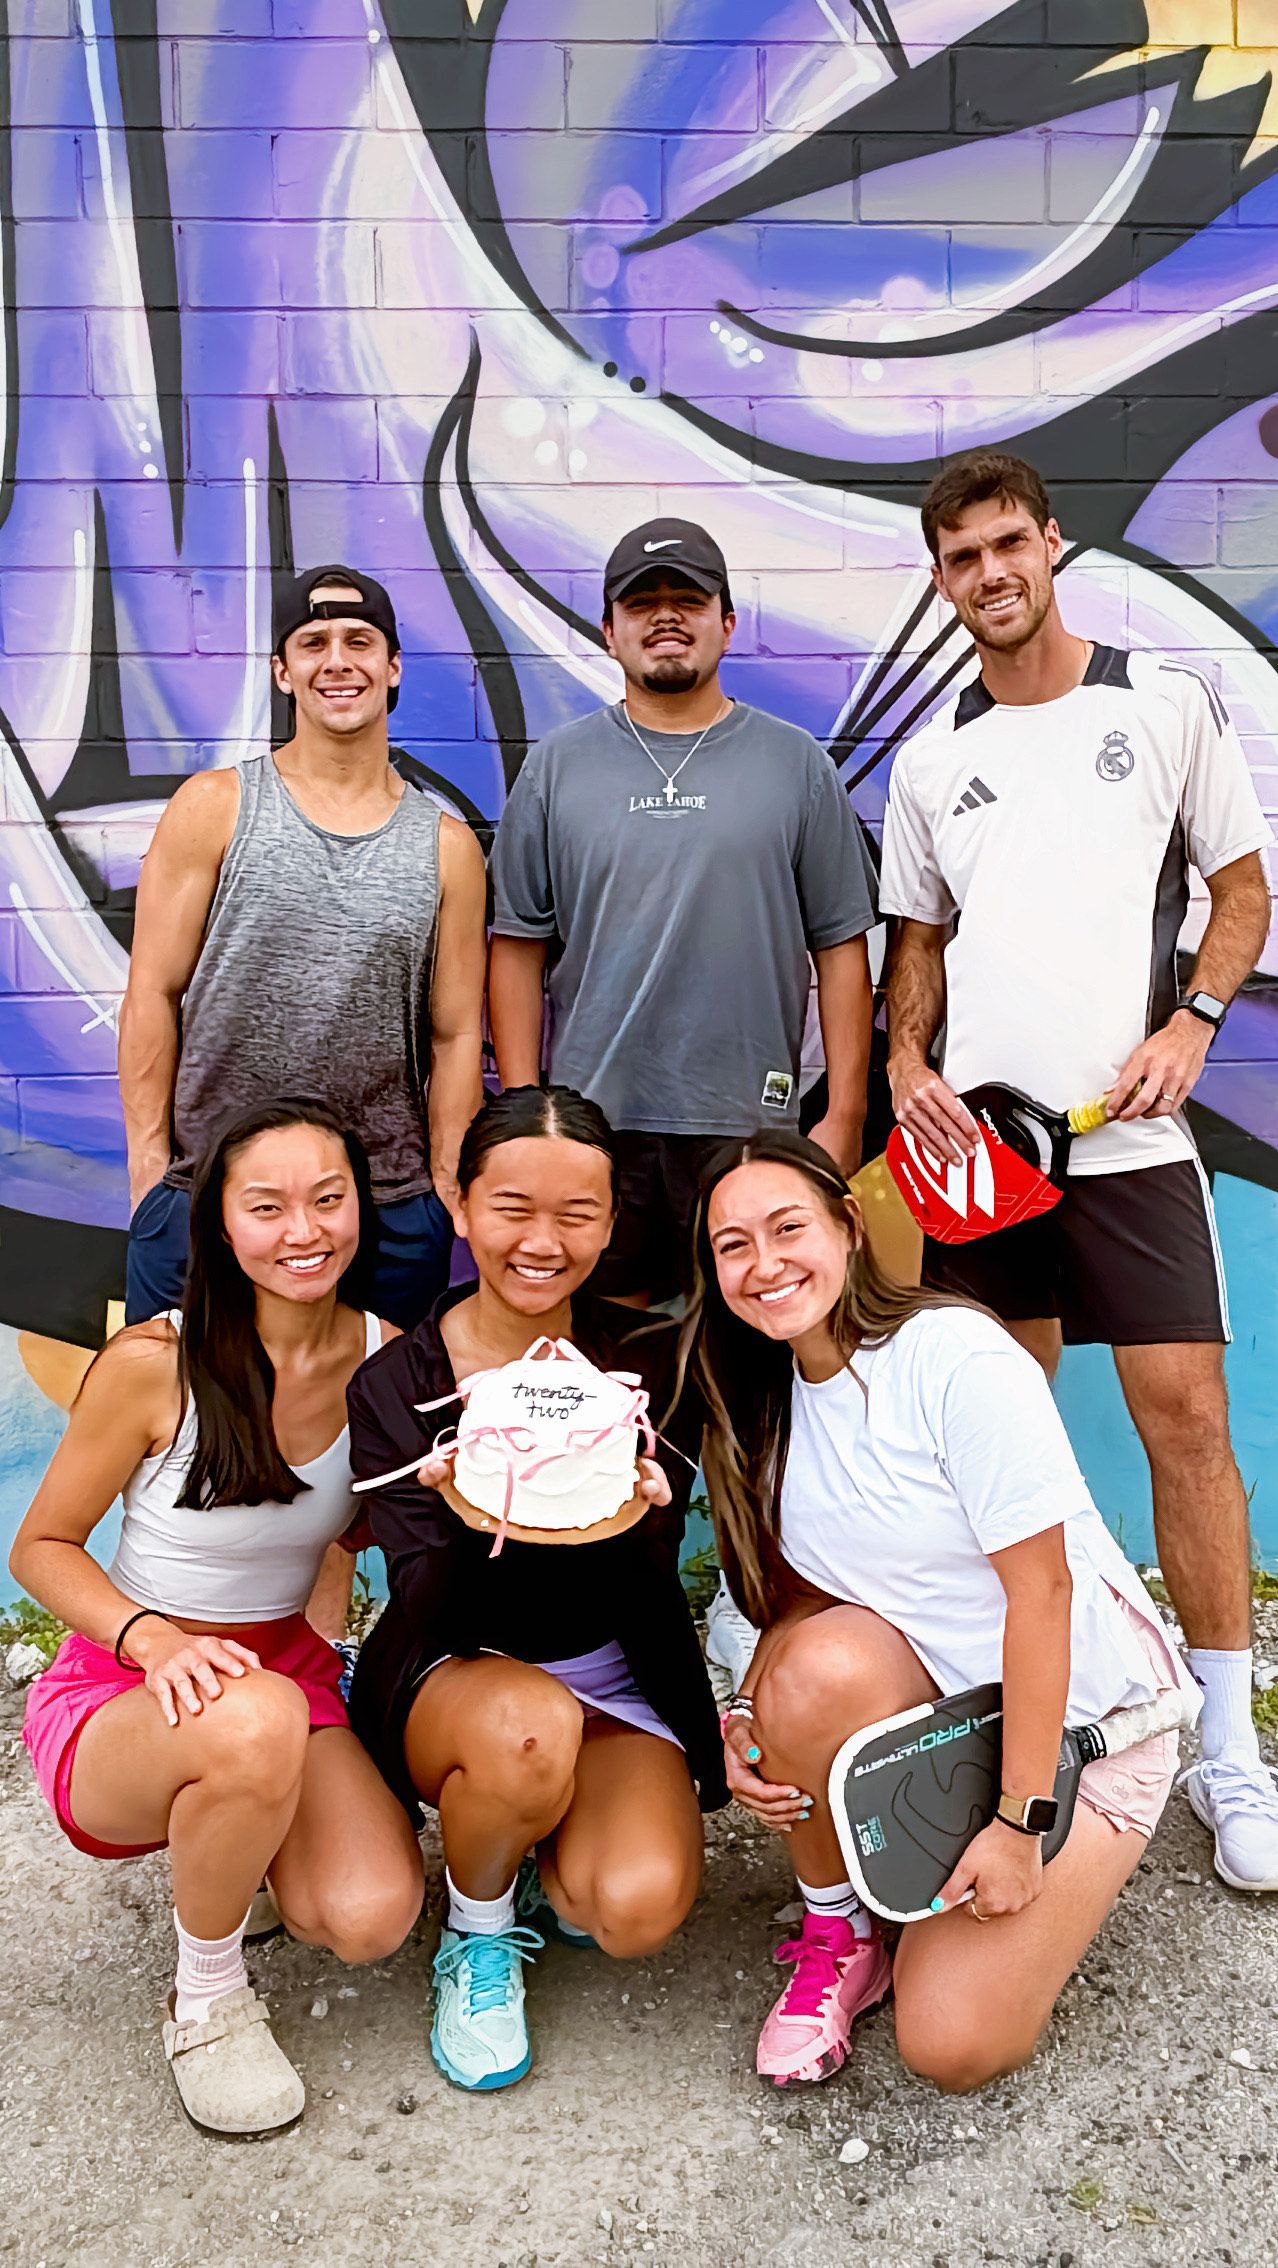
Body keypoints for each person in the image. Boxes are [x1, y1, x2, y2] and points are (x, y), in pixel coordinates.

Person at [879, 449, 1278, 1892]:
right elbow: (913, 942)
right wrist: (902, 1059)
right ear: (939, 583)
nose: (988, 574)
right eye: (959, 559)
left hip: (1130, 1144)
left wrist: (1192, 1018)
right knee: (1002, 1446)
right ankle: (1042, 1719)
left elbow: (1241, 887)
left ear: (1051, 547)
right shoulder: (934, 762)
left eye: (1007, 546)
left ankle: (1231, 1759)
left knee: (1183, 1427)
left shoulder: (1158, 705)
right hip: (981, 1167)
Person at [682, 1130, 1199, 2093]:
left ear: (846, 1226)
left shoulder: (950, 1353)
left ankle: (1017, 1869)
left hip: (1090, 1724)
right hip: (946, 1710)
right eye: (733, 1245)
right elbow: (801, 1607)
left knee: (952, 2044)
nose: (765, 1264)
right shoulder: (760, 1401)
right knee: (806, 1674)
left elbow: (1040, 1591)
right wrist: (749, 1710)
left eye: (788, 1226)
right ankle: (840, 1932)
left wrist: (1017, 1822)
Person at [11, 1101, 425, 2136]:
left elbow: (358, 1526)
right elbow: (41, 1549)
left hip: (285, 1674)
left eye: (329, 1200)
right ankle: (205, 1996)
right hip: (127, 1684)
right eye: (268, 1205)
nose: (304, 1231)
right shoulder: (157, 1363)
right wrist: (146, 1637)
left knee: (371, 1915)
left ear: (361, 1212)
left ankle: (243, 1839)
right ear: (221, 1226)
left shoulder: (390, 1359)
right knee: (254, 1722)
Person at [346, 1084, 727, 2093]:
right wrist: (475, 1506)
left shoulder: (645, 1367)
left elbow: (643, 1576)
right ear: (461, 1204)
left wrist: (645, 1511)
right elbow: (429, 1597)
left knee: (636, 1906)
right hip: (461, 1674)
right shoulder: (402, 1384)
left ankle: (536, 1835)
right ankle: (476, 1924)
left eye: (578, 1213)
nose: (543, 1241)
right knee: (527, 1731)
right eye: (512, 1207)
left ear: (613, 1220)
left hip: (609, 1674)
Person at [487, 518, 878, 1304]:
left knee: (746, 1350)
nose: (665, 616)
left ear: (726, 623)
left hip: (750, 1125)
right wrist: (532, 1115)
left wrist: (843, 1112)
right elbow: (517, 950)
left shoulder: (793, 763)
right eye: (642, 603)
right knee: (607, 1358)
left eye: (688, 600)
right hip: (595, 1128)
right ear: (609, 631)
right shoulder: (557, 768)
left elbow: (841, 950)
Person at [119, 562, 486, 1334]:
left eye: (359, 640)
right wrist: (151, 1169)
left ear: (392, 666)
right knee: (185, 1433)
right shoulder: (215, 808)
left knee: (373, 1442)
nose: (338, 660)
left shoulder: (446, 847)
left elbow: (455, 1034)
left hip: (386, 1208)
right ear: (284, 672)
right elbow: (152, 991)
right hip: (208, 1197)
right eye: (313, 642)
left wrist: (448, 1177)